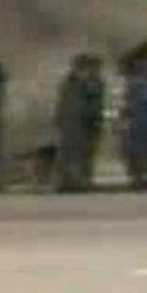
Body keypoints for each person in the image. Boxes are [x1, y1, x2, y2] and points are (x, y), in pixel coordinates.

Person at [55, 55, 92, 191]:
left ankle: (74, 180)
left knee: (78, 153)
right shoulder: (69, 84)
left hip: (79, 123)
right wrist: (59, 118)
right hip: (70, 122)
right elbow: (62, 103)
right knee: (68, 153)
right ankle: (65, 181)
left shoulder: (85, 85)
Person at [81, 55, 106, 184]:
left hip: (96, 119)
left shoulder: (100, 84)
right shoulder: (82, 84)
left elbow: (103, 103)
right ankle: (83, 176)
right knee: (83, 150)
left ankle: (88, 176)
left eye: (97, 68)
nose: (95, 70)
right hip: (83, 121)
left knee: (92, 150)